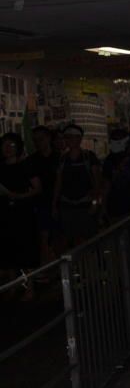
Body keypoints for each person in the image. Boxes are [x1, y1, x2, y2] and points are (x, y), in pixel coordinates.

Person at [0, 133, 41, 294]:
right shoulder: (1, 166)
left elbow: (37, 188)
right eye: (4, 145)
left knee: (25, 250)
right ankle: (12, 287)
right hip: (4, 213)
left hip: (22, 213)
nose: (7, 149)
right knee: (8, 251)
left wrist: (18, 196)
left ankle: (29, 287)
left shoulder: (26, 165)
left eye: (11, 145)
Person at [52, 124, 101, 246]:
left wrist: (95, 204)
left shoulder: (89, 157)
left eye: (72, 137)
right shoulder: (63, 159)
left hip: (86, 205)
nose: (68, 140)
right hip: (67, 205)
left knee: (89, 239)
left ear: (79, 139)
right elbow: (58, 183)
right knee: (70, 239)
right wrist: (54, 205)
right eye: (66, 137)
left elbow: (97, 183)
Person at [26, 126, 62, 263]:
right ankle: (47, 268)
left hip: (59, 201)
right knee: (43, 238)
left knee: (59, 237)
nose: (38, 142)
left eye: (40, 139)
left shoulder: (59, 158)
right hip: (41, 203)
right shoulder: (32, 160)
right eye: (35, 140)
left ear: (48, 138)